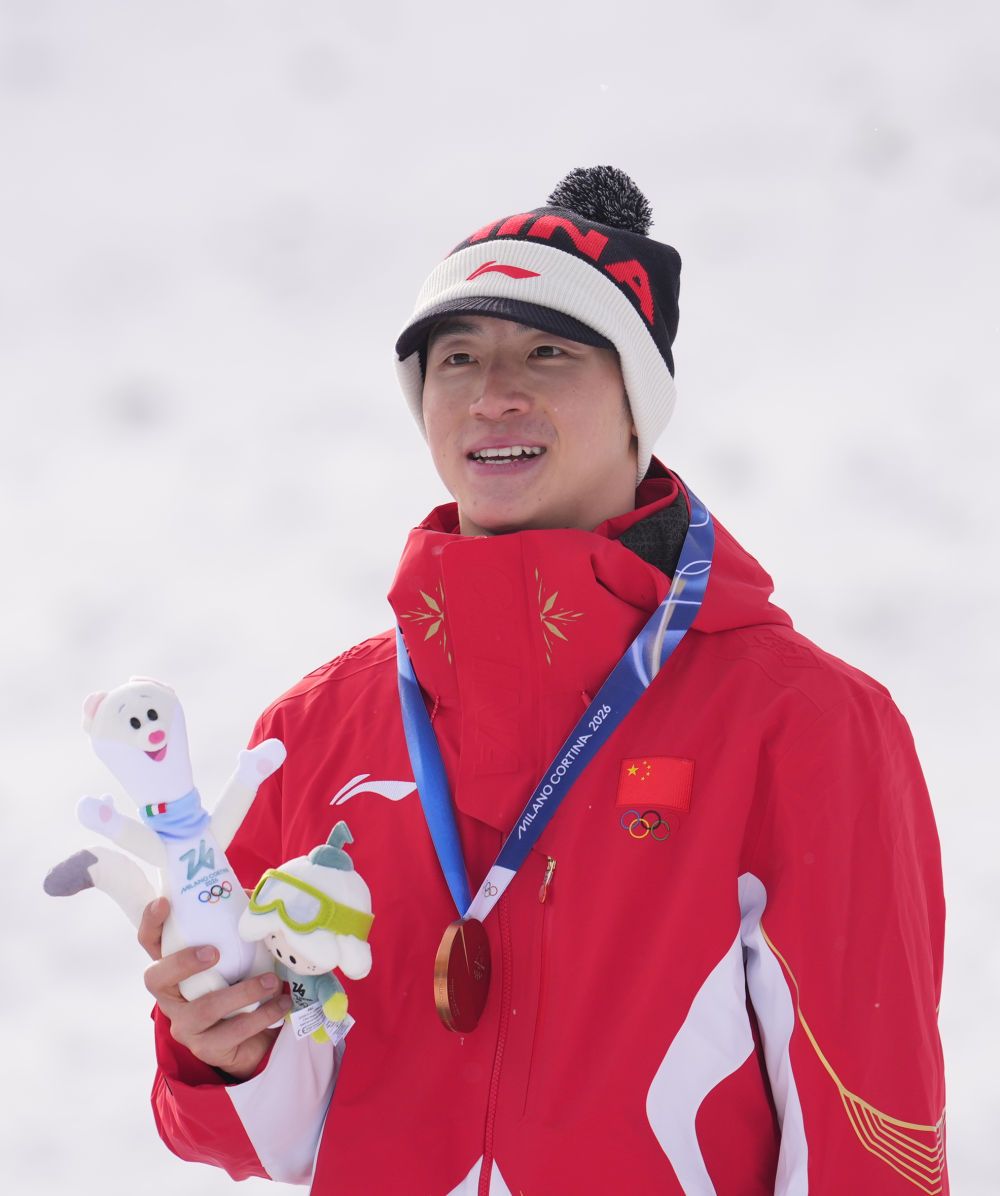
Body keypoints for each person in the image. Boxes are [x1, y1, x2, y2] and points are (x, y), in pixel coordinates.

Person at [140, 166, 948, 1194]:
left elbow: (870, 1134)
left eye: (547, 352)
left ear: (636, 405)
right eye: (457, 358)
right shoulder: (315, 730)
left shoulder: (803, 724)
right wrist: (227, 1049)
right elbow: (268, 1143)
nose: (492, 395)